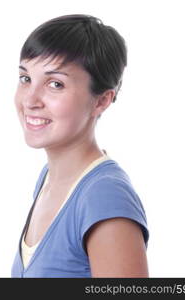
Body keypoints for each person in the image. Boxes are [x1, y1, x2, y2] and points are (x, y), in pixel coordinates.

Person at [11, 14, 149, 278]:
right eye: (25, 78)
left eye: (55, 84)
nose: (30, 100)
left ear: (101, 101)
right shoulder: (48, 180)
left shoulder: (104, 196)